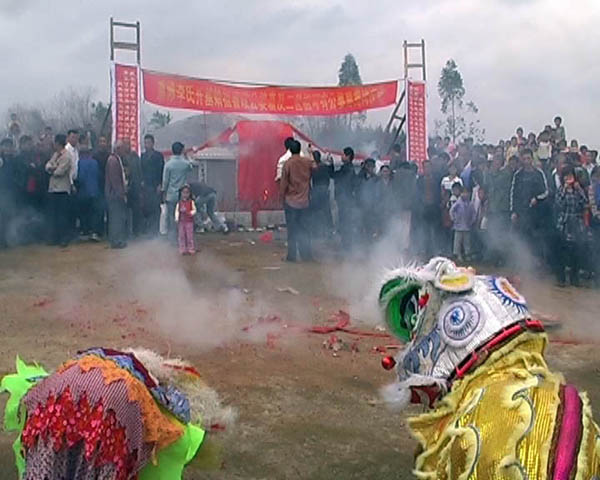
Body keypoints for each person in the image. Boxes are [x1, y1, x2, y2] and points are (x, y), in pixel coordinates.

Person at [280, 140, 315, 262]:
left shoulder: (288, 164)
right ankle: (306, 255)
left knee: (292, 231)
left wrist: (282, 197)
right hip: (305, 201)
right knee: (304, 229)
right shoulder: (306, 162)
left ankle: (292, 256)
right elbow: (315, 167)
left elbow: (283, 183)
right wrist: (311, 153)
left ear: (290, 150)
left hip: (291, 202)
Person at [510, 148, 548, 252]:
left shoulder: (539, 173)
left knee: (536, 238)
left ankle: (537, 258)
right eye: (524, 159)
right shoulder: (518, 175)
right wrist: (513, 211)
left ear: (532, 159)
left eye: (528, 158)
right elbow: (513, 194)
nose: (526, 161)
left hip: (536, 213)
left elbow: (546, 192)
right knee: (522, 238)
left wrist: (537, 199)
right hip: (522, 212)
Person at [554, 165, 586, 287]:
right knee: (562, 252)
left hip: (576, 223)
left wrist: (579, 190)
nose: (569, 178)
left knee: (576, 252)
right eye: (566, 176)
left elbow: (584, 203)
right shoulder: (561, 190)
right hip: (564, 223)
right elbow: (558, 204)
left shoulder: (578, 189)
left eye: (571, 176)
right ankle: (561, 278)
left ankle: (574, 278)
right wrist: (564, 189)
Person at [487, 154, 517, 265]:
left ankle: (504, 258)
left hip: (503, 208)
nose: (495, 163)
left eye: (498, 161)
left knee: (503, 234)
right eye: (494, 161)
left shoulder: (506, 174)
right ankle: (495, 257)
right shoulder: (490, 174)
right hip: (493, 208)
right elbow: (488, 189)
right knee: (494, 233)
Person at [45, 134, 73, 247]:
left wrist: (52, 168)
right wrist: (52, 167)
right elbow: (47, 166)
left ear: (58, 143)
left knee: (63, 216)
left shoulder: (67, 156)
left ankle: (64, 238)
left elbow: (59, 172)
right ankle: (54, 238)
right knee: (54, 215)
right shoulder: (55, 154)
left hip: (62, 189)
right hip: (53, 189)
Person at [162, 142, 192, 243]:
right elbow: (191, 167)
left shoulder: (168, 164)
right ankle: (183, 238)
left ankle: (172, 239)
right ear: (181, 150)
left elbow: (165, 181)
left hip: (171, 195)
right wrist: (186, 155)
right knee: (183, 218)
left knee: (171, 218)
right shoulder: (185, 164)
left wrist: (164, 192)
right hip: (183, 195)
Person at [330, 146, 357, 251]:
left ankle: (346, 245)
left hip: (345, 200)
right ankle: (346, 244)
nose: (341, 157)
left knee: (345, 222)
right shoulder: (349, 168)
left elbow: (334, 176)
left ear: (348, 156)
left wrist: (331, 165)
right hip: (346, 199)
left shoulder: (347, 169)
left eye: (343, 155)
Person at [76, 138, 102, 241]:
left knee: (84, 213)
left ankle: (85, 232)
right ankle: (94, 232)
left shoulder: (80, 163)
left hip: (84, 192)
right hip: (95, 192)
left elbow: (80, 178)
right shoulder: (95, 162)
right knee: (94, 212)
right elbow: (98, 175)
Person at [105, 140, 128, 249]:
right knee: (116, 218)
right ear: (118, 149)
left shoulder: (115, 159)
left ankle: (117, 239)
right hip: (115, 195)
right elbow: (115, 181)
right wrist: (121, 194)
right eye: (123, 148)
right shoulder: (113, 161)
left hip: (114, 194)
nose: (125, 150)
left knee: (117, 218)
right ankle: (116, 241)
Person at [141, 134, 165, 236]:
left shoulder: (158, 156)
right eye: (145, 143)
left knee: (156, 208)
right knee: (146, 208)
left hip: (155, 186)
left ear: (153, 143)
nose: (147, 145)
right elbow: (141, 171)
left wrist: (160, 184)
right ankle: (147, 231)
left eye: (149, 143)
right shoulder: (142, 156)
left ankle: (156, 231)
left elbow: (162, 170)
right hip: (146, 186)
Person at [450, 185, 476, 262]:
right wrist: (454, 219)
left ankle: (467, 254)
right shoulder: (458, 203)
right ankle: (457, 255)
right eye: (463, 193)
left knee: (467, 242)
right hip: (458, 226)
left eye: (466, 193)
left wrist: (472, 221)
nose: (465, 194)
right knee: (457, 242)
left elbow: (473, 213)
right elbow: (451, 211)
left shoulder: (470, 203)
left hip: (467, 226)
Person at [309, 150, 332, 239]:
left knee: (315, 212)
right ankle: (329, 230)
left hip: (317, 191)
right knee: (326, 212)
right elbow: (330, 173)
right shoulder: (324, 166)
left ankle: (316, 231)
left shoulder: (314, 168)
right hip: (325, 190)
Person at [122, 138, 143, 238]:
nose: (127, 146)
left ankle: (136, 231)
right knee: (125, 210)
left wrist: (140, 184)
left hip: (135, 187)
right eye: (125, 144)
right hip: (125, 188)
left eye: (128, 144)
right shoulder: (121, 157)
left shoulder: (135, 157)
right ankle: (126, 231)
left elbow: (140, 171)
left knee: (136, 210)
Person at [356, 158, 379, 242]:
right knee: (360, 225)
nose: (370, 168)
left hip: (372, 206)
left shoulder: (376, 178)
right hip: (361, 205)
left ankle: (369, 242)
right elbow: (357, 189)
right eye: (368, 166)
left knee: (370, 226)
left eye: (372, 166)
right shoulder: (360, 176)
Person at [175, 184, 197, 255]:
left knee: (189, 236)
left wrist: (190, 213)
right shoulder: (179, 203)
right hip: (181, 222)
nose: (185, 194)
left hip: (189, 222)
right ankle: (182, 249)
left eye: (187, 192)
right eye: (183, 192)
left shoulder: (191, 202)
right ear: (181, 193)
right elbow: (177, 211)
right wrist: (176, 218)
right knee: (181, 236)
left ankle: (191, 248)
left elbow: (194, 210)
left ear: (189, 193)